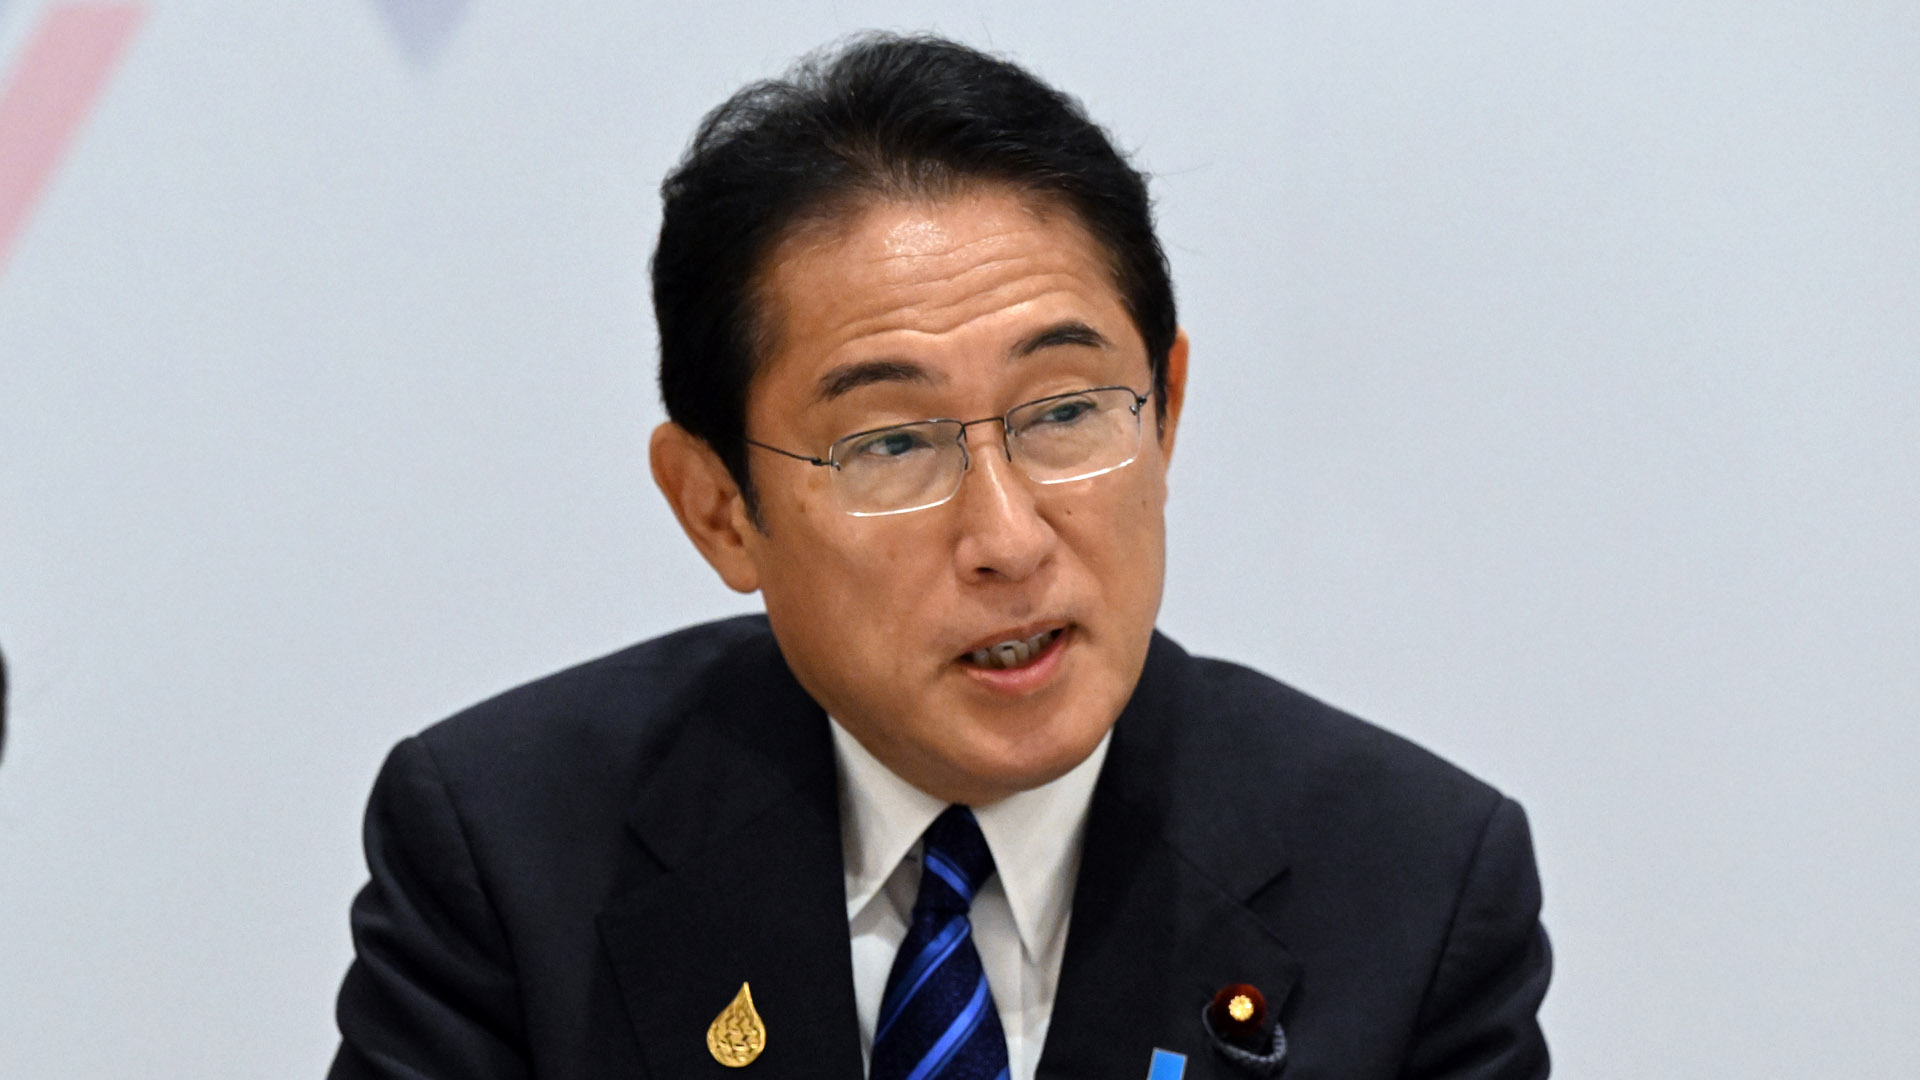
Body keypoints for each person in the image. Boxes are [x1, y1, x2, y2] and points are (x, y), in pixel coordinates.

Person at [329, 34, 1549, 1080]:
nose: (1007, 541)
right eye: (891, 444)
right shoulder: (509, 854)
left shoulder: (1415, 885)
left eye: (1066, 413)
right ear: (718, 510)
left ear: (1166, 412)